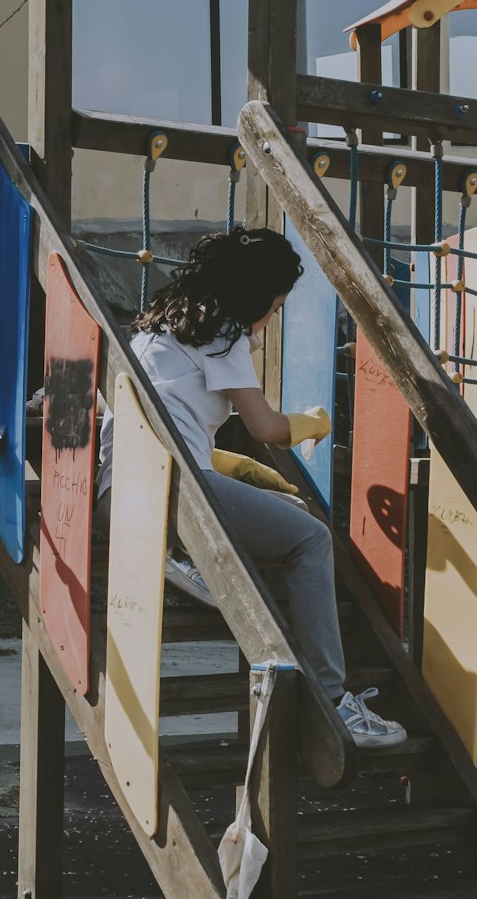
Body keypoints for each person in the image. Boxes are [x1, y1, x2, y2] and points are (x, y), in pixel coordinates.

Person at [96, 226, 406, 750]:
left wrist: (234, 469)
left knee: (282, 511)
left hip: (119, 493)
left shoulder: (154, 332)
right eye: (277, 306)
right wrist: (311, 424)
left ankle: (182, 558)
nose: (273, 317)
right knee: (310, 539)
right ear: (256, 296)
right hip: (175, 497)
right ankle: (332, 703)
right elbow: (265, 427)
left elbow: (164, 427)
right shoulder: (225, 332)